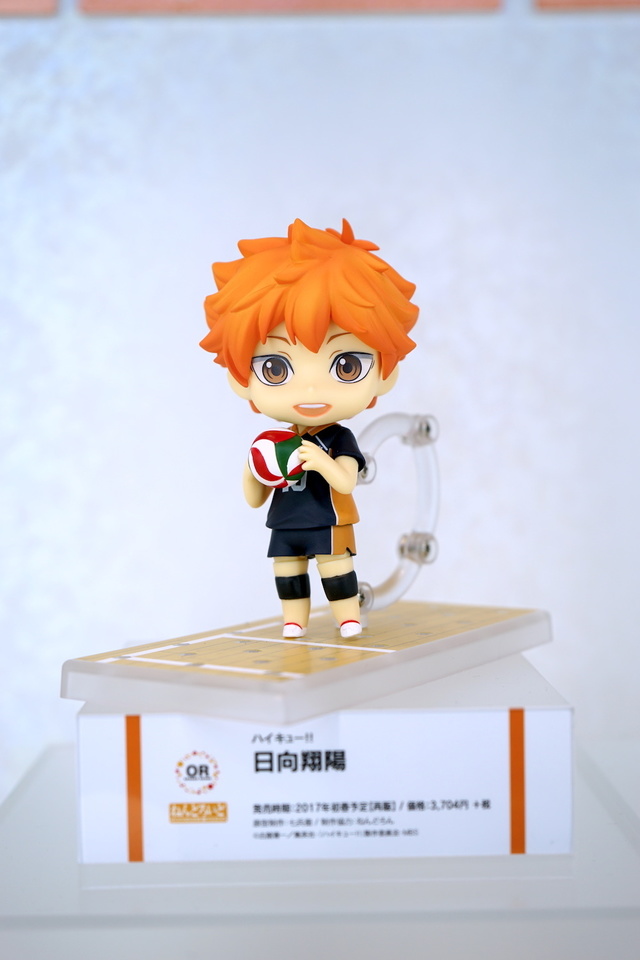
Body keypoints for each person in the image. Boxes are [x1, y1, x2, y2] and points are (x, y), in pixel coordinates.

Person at [201, 218, 418, 639]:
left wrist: (320, 460)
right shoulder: (275, 442)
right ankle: (293, 621)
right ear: (240, 378)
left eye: (346, 365)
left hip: (327, 518)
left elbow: (346, 481)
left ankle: (347, 617)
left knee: (336, 568)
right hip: (286, 521)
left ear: (385, 373)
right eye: (276, 367)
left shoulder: (338, 438)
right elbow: (254, 499)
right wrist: (253, 468)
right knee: (288, 572)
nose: (312, 390)